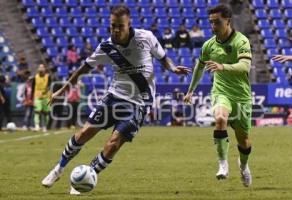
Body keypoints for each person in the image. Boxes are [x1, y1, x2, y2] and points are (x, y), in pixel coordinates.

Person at [41, 5, 190, 195]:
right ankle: (58, 169)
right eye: (113, 26)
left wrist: (173, 68)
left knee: (113, 143)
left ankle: (89, 175)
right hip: (114, 96)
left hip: (139, 102)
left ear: (129, 24)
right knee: (84, 132)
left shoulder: (146, 37)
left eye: (120, 26)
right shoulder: (106, 47)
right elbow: (83, 69)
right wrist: (63, 89)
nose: (116, 30)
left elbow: (163, 58)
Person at [183, 4, 253, 187]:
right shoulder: (208, 45)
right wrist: (191, 90)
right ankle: (223, 164)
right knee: (220, 119)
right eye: (211, 23)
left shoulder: (241, 41)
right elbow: (199, 67)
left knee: (243, 140)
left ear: (228, 21)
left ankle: (243, 166)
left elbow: (245, 66)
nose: (213, 26)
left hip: (242, 96)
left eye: (217, 22)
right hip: (221, 92)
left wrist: (223, 67)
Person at [32, 64, 51, 132]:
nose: (41, 69)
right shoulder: (35, 77)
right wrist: (32, 98)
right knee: (37, 111)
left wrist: (45, 91)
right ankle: (37, 126)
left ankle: (45, 126)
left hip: (46, 96)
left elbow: (49, 85)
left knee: (46, 112)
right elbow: (33, 87)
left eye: (42, 67)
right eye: (39, 67)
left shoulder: (48, 76)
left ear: (44, 69)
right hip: (37, 96)